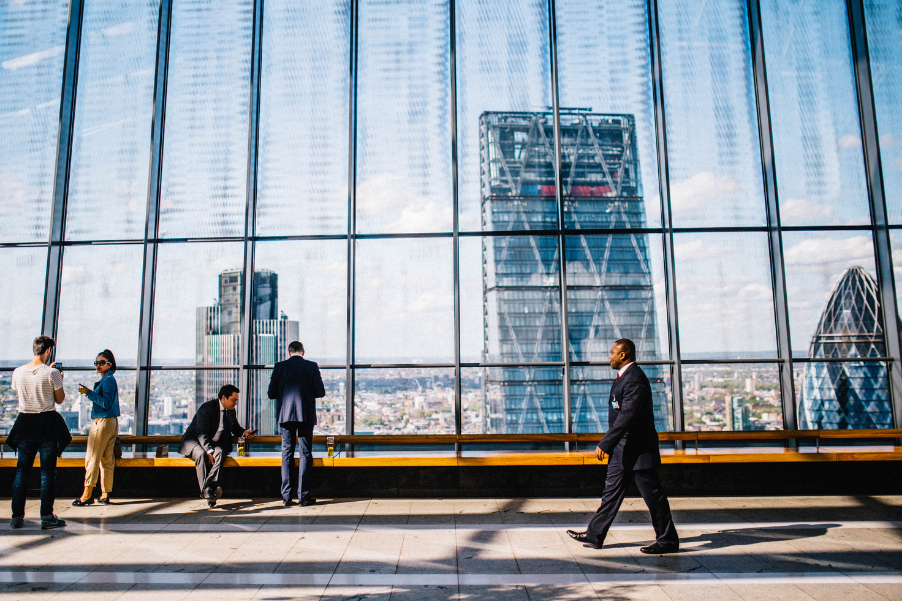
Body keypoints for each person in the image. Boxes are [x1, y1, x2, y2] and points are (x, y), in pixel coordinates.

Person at [567, 338, 680, 554]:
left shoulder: (635, 379)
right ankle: (595, 534)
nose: (608, 357)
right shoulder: (625, 377)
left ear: (623, 355)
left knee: (653, 496)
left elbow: (627, 416)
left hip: (638, 450)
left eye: (611, 353)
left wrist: (606, 442)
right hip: (622, 450)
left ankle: (668, 540)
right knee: (611, 493)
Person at [7, 336, 69, 530]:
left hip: (25, 423)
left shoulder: (17, 372)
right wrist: (58, 377)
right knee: (47, 473)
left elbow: (21, 396)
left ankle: (17, 517)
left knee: (21, 472)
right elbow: (59, 400)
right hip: (46, 424)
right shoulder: (52, 373)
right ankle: (47, 517)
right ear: (48, 351)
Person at [268, 341, 325, 507]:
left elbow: (272, 393)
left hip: (285, 416)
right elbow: (320, 392)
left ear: (289, 352)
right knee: (305, 453)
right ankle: (303, 496)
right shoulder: (312, 366)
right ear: (303, 352)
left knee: (286, 453)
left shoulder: (279, 367)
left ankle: (286, 496)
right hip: (305, 415)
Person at [178, 384, 255, 507]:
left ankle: (208, 489)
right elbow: (201, 433)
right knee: (201, 455)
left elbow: (235, 427)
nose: (235, 403)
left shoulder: (230, 411)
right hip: (194, 441)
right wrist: (209, 451)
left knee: (220, 453)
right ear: (223, 398)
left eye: (236, 400)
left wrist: (244, 432)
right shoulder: (207, 408)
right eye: (233, 400)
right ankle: (209, 492)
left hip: (212, 443)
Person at [73, 349, 120, 506]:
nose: (98, 365)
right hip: (111, 422)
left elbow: (105, 403)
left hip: (102, 422)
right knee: (107, 459)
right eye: (96, 363)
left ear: (109, 364)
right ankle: (105, 493)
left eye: (101, 363)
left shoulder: (108, 381)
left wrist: (89, 393)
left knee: (92, 458)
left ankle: (87, 494)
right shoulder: (109, 380)